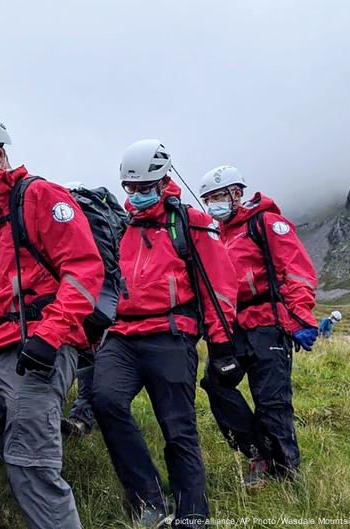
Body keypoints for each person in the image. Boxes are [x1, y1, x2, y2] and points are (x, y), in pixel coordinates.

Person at [0, 111, 104, 529]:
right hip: (0, 348)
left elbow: (83, 272)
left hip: (39, 349)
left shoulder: (41, 198)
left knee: (30, 468)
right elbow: (2, 289)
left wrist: (50, 336)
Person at [92, 140, 237, 527]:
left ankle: (192, 513)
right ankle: (149, 498)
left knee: (177, 427)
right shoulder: (122, 227)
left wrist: (222, 345)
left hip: (171, 335)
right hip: (122, 335)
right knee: (104, 400)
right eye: (131, 188)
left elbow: (219, 285)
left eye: (145, 187)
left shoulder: (191, 223)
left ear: (164, 179)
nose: (137, 195)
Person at [198, 165, 318, 486]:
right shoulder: (215, 235)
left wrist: (302, 317)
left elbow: (296, 270)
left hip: (268, 324)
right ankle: (258, 453)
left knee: (272, 402)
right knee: (215, 384)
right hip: (232, 328)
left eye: (219, 197)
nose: (213, 205)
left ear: (237, 193)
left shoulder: (266, 223)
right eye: (208, 200)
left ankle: (286, 476)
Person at [61, 181, 97, 438]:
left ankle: (81, 420)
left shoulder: (88, 232)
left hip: (87, 314)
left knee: (89, 368)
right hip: (71, 313)